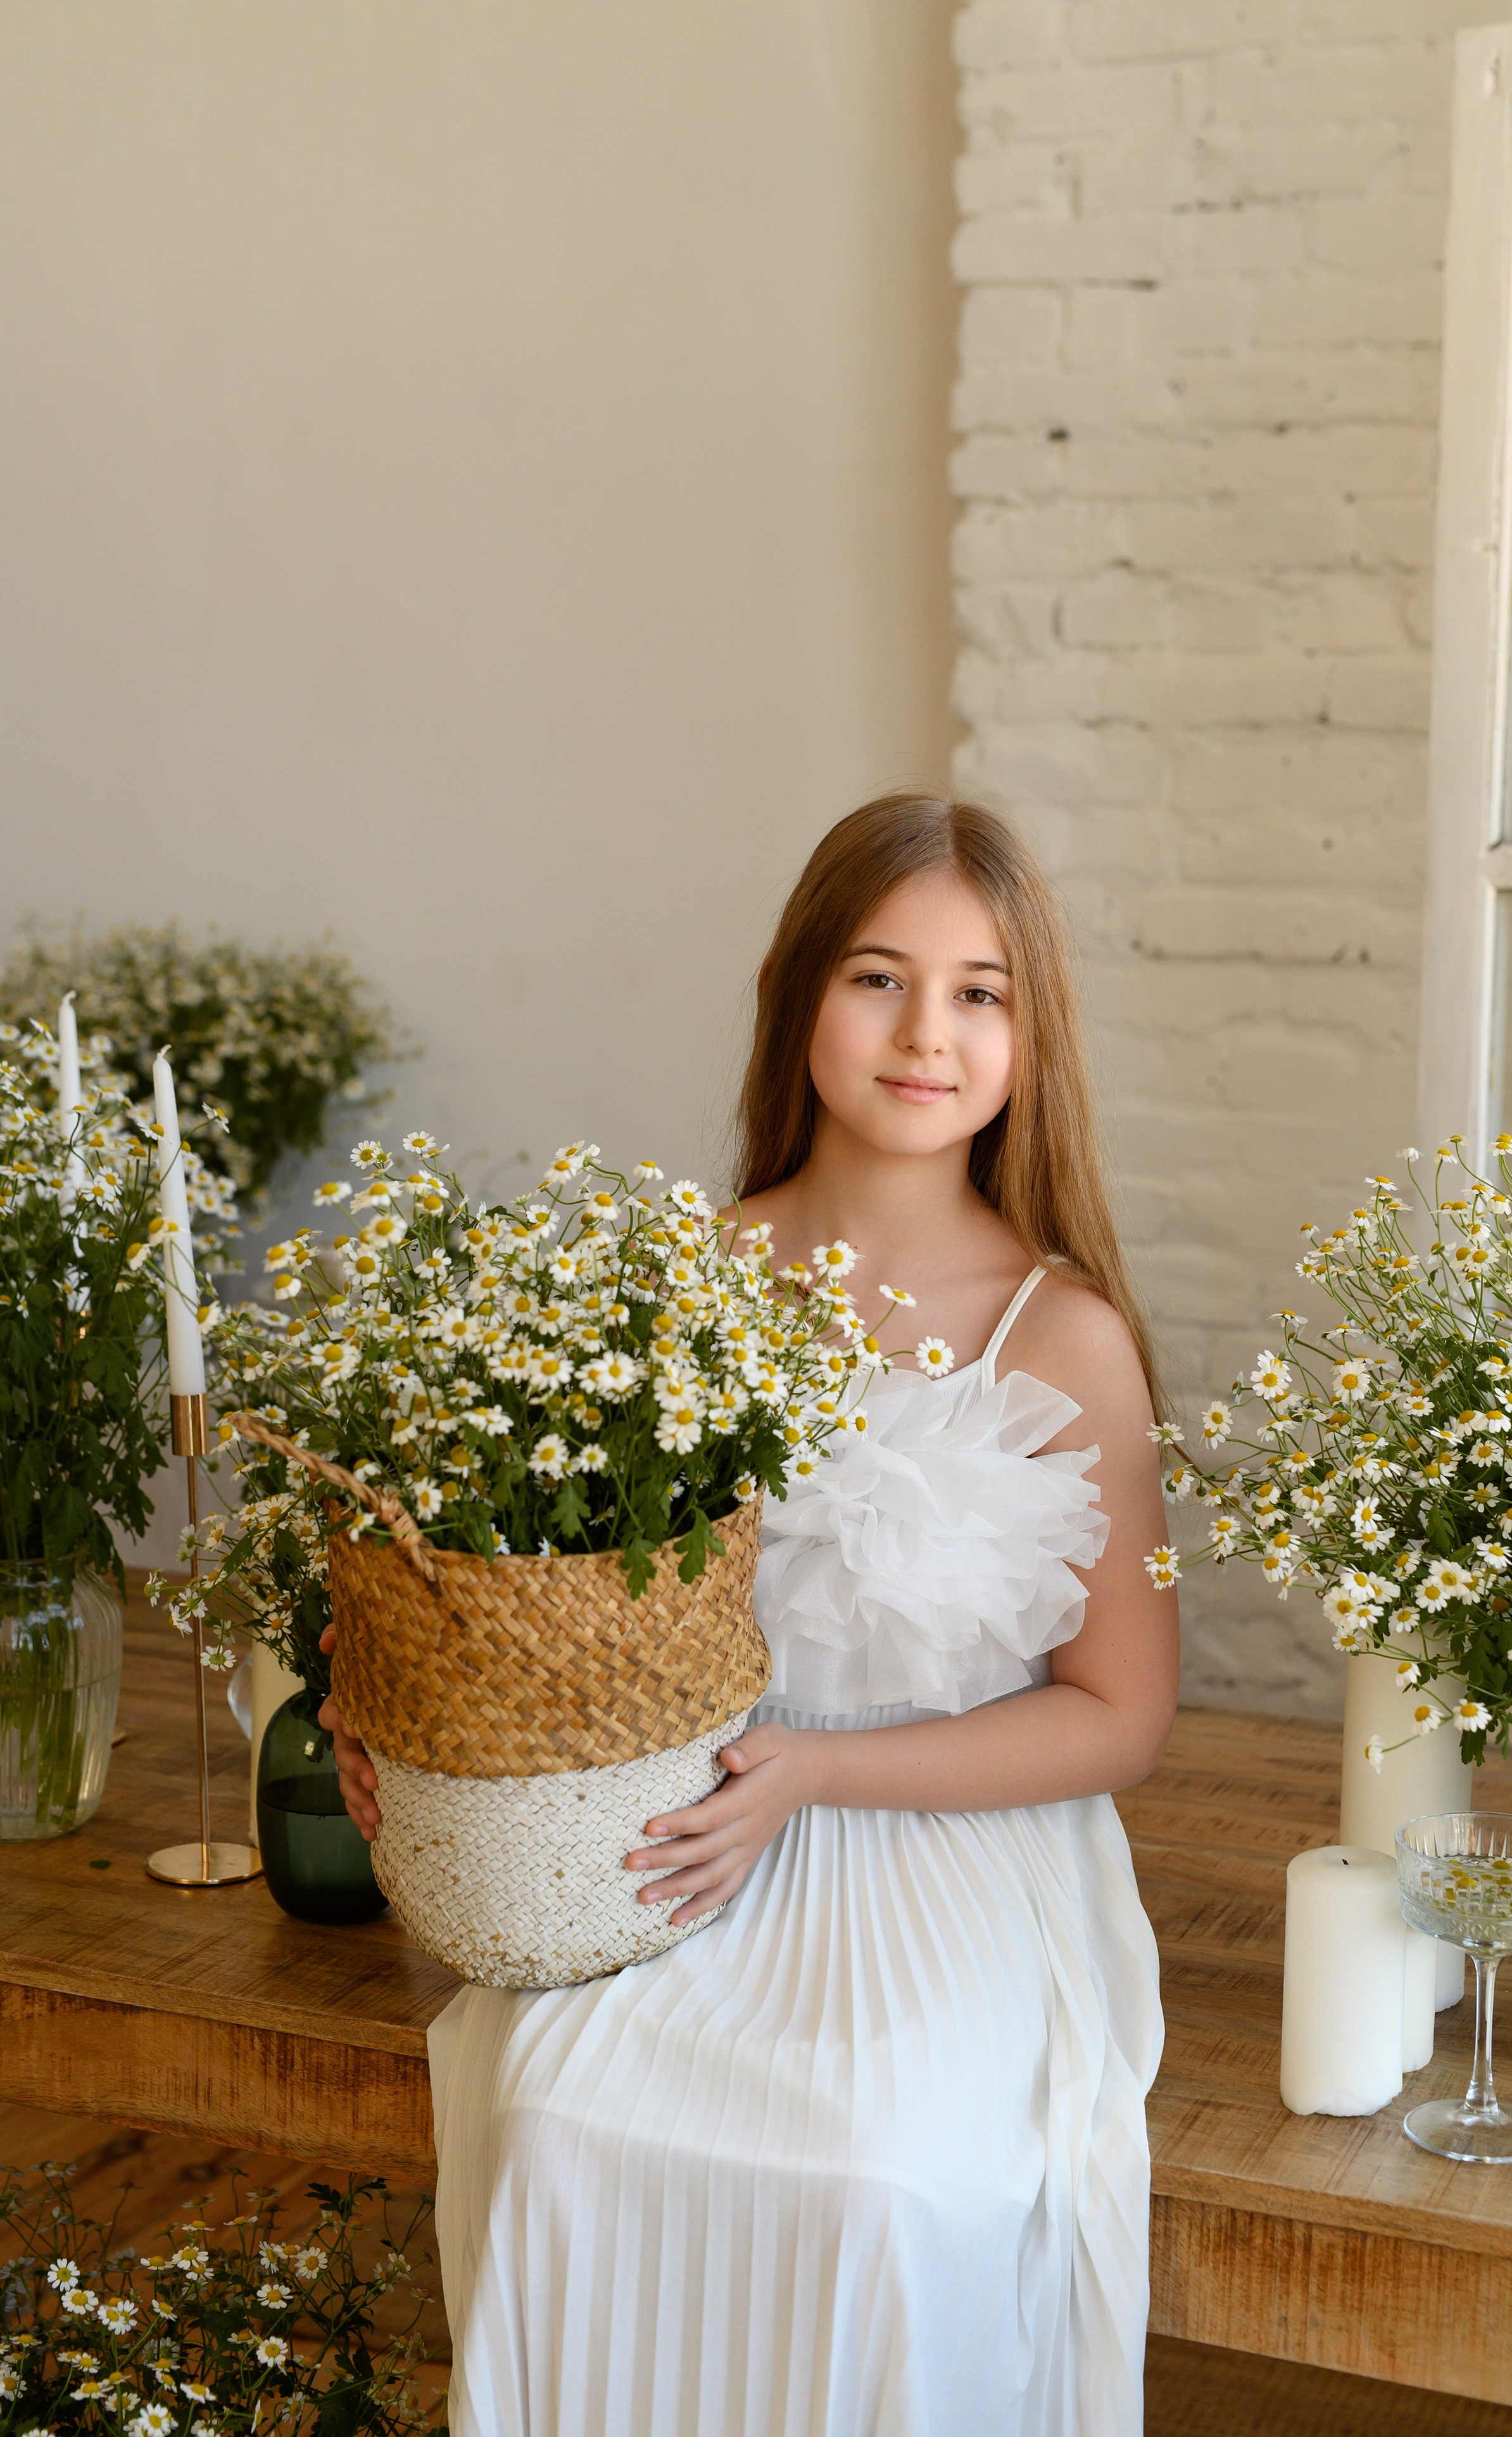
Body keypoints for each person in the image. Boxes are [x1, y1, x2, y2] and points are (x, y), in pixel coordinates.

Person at [321, 792, 1178, 2437]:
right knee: (565, 2123)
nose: (927, 1032)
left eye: (980, 991)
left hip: (953, 1846)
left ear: (1028, 1035)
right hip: (677, 1829)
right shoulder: (678, 1284)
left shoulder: (1063, 1337)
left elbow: (1119, 1714)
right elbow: (525, 1588)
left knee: (881, 2173)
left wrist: (816, 1775)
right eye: (879, 977)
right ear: (799, 1001)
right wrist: (395, 1720)